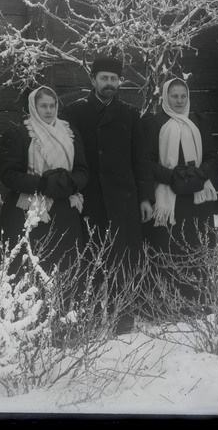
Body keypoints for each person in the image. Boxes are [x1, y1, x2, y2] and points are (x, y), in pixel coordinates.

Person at [59, 55, 155, 334]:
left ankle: (122, 317)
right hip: (88, 200)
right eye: (104, 78)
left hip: (122, 201)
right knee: (89, 259)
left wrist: (145, 198)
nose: (109, 83)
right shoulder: (73, 113)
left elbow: (141, 160)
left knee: (123, 258)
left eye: (114, 79)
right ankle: (88, 318)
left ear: (120, 81)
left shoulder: (129, 114)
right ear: (93, 80)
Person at [0, 85, 89, 275]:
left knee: (65, 267)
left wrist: (68, 183)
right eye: (43, 106)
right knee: (32, 268)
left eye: (52, 106)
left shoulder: (70, 134)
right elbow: (9, 175)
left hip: (65, 210)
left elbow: (82, 170)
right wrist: (42, 184)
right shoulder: (19, 134)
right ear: (33, 107)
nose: (48, 111)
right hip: (30, 213)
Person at [142, 77, 218, 301]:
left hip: (197, 197)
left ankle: (198, 299)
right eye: (174, 96)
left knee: (197, 246)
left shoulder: (199, 121)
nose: (179, 100)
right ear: (165, 97)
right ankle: (169, 302)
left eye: (183, 96)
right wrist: (173, 176)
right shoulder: (155, 123)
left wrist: (200, 174)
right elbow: (148, 161)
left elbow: (212, 157)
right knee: (170, 248)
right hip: (169, 198)